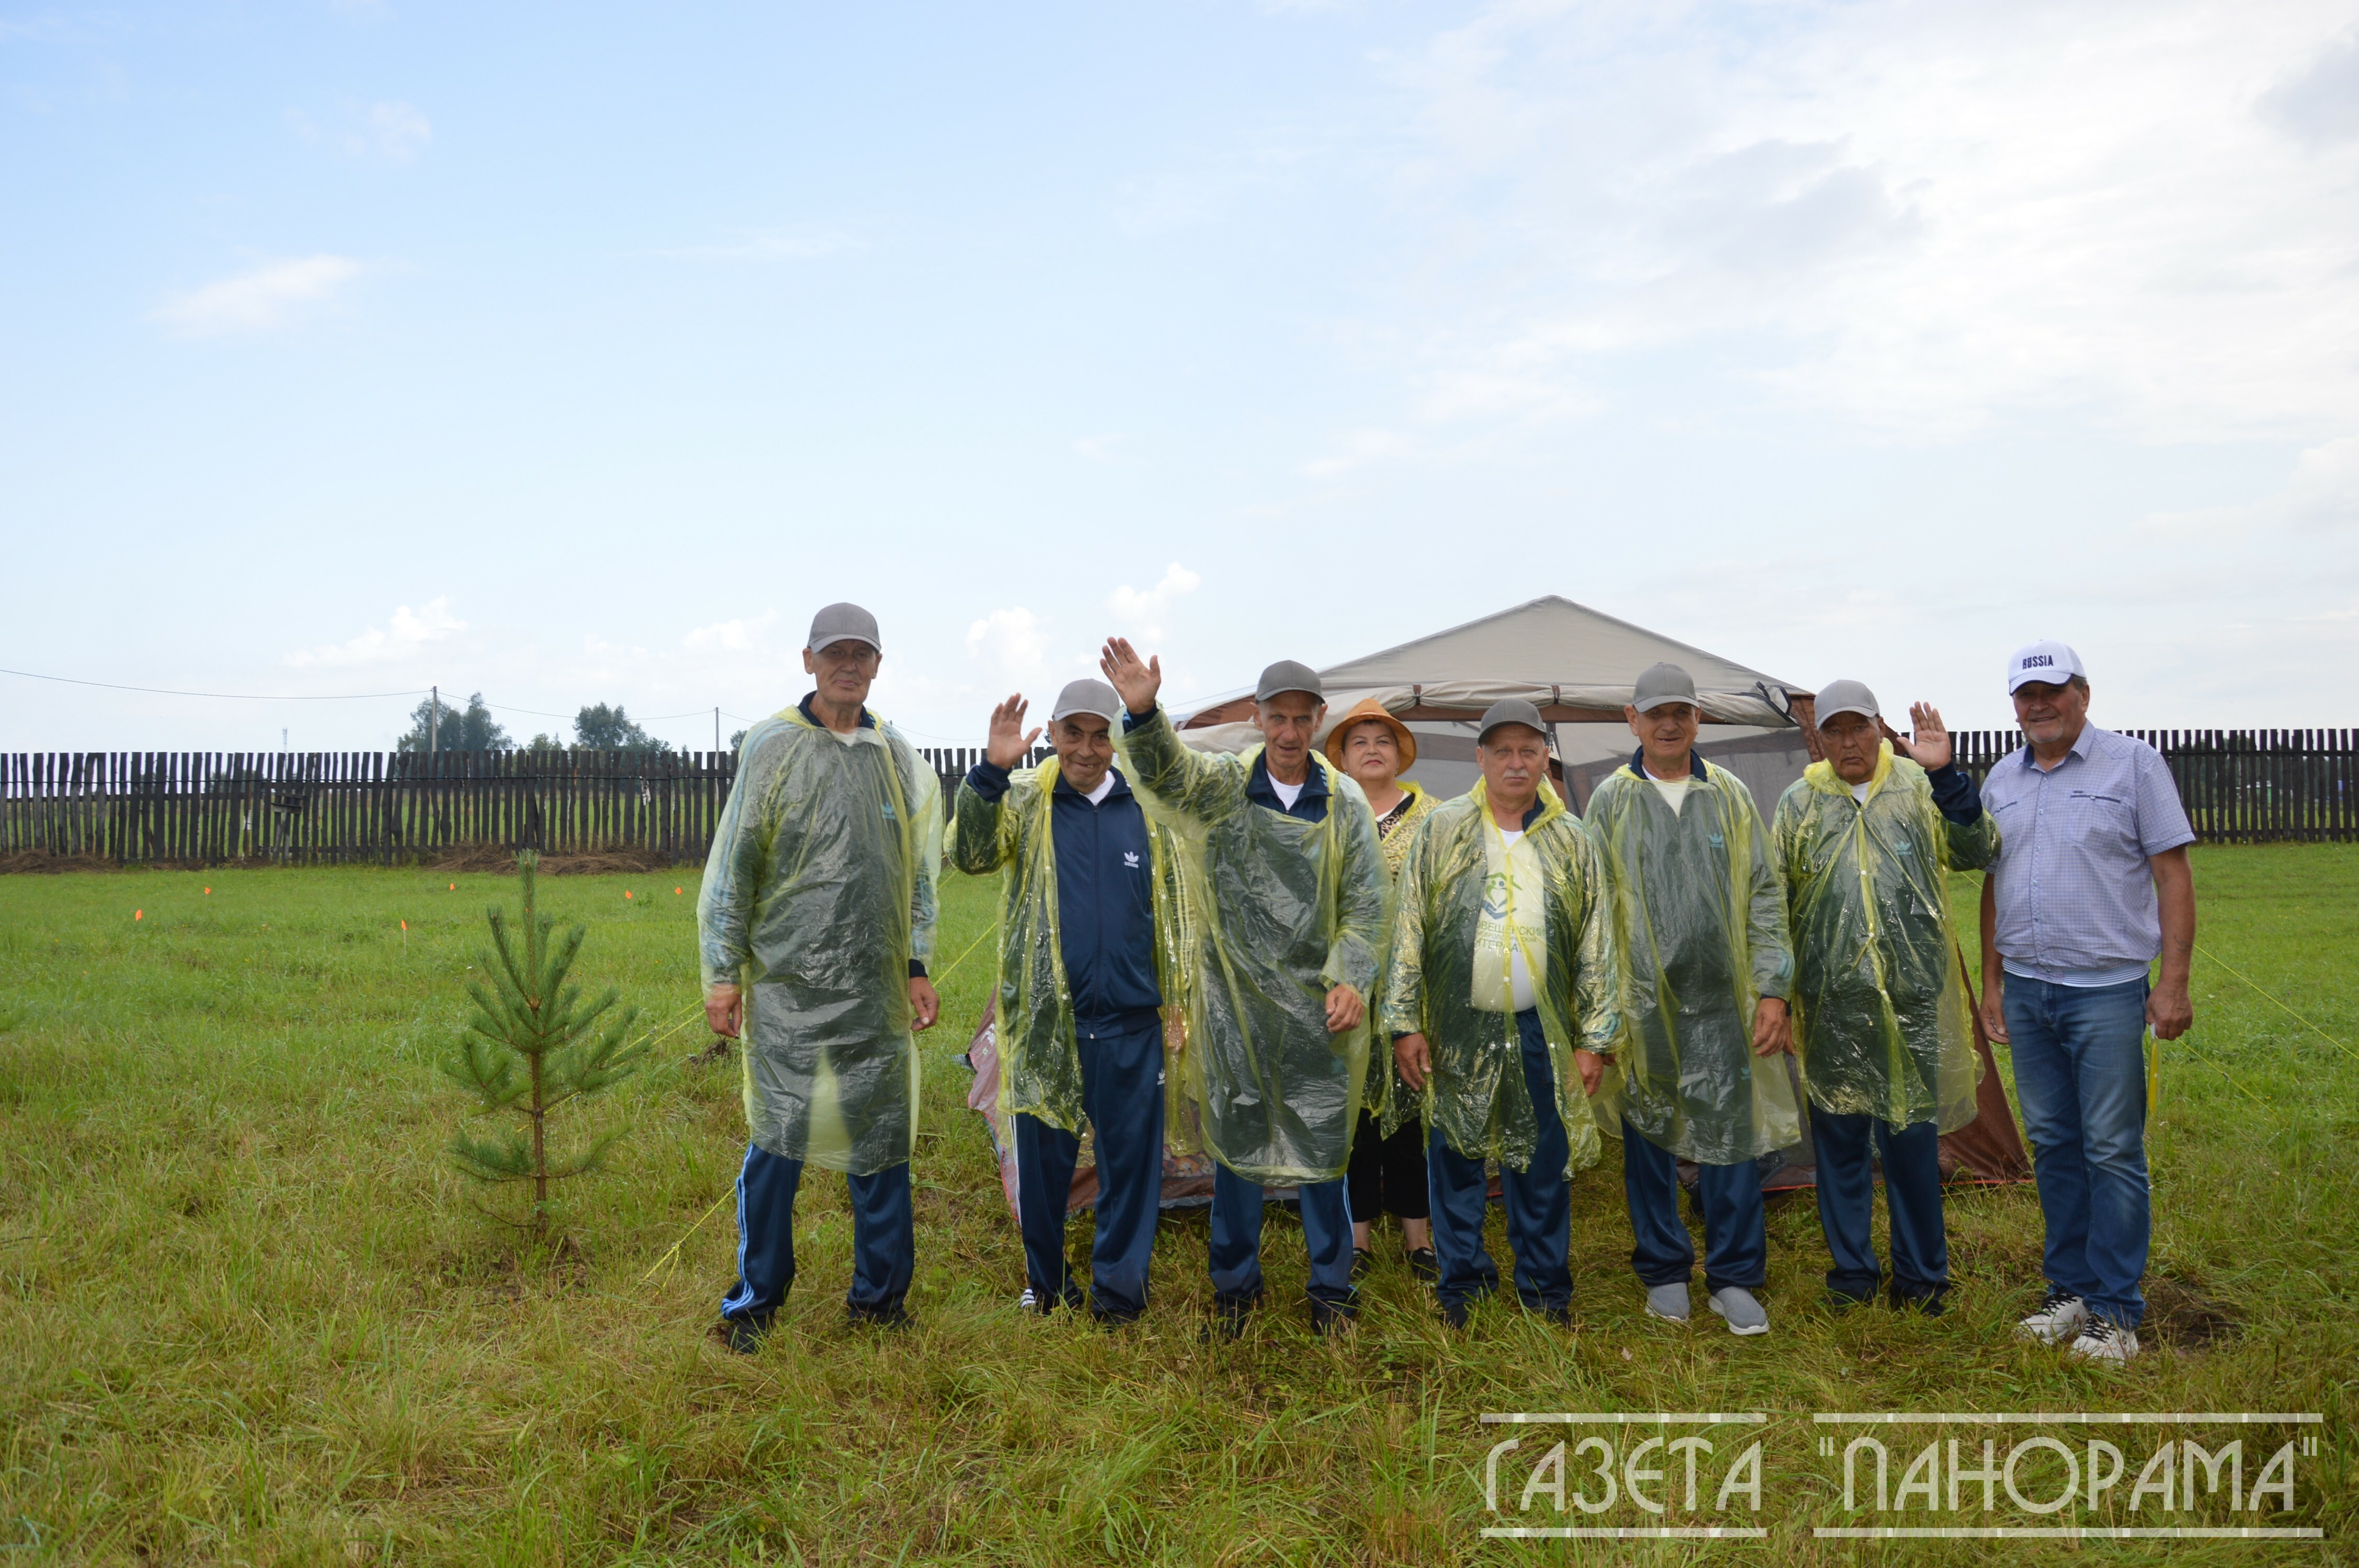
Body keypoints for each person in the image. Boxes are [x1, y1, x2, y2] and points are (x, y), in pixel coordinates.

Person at [1101, 639, 1389, 1336]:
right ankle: (1235, 1290)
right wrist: (1143, 714)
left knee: (1323, 1153)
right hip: (1236, 1010)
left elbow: (1367, 905)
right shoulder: (1227, 786)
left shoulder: (1344, 804)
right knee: (1235, 1154)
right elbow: (1167, 778)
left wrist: (1352, 978)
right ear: (1259, 719)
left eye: (1302, 719)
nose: (1290, 734)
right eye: (1277, 719)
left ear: (1318, 720)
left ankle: (1331, 1290)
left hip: (1320, 1015)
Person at [699, 603, 942, 1351]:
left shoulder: (894, 755)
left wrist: (915, 964)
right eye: (834, 653)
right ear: (808, 660)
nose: (848, 666)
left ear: (877, 665)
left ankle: (880, 1302)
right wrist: (723, 973)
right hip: (788, 991)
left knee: (881, 1144)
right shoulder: (773, 747)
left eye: (861, 655)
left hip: (874, 994)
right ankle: (756, 1303)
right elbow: (736, 862)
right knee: (778, 1142)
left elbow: (918, 873)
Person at [1980, 641, 2195, 1365]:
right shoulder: (2002, 779)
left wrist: (2172, 983)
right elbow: (1993, 885)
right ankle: (2068, 1291)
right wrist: (1992, 981)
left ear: (2083, 693)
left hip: (2106, 991)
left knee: (2111, 1149)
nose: (2037, 705)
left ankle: (2116, 1312)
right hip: (2030, 989)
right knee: (2054, 1146)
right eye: (2025, 694)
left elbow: (2172, 874)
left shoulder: (2134, 765)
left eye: (2052, 691)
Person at [951, 678, 1183, 1325]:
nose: (1087, 749)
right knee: (1046, 1161)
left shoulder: (1146, 810)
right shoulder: (1026, 801)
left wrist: (1179, 1004)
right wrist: (991, 774)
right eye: (1074, 733)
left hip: (1133, 1021)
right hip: (1049, 1021)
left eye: (1101, 734)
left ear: (1117, 740)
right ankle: (1047, 1285)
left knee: (1132, 1167)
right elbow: (968, 855)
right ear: (1051, 734)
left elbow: (1173, 916)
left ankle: (1118, 1293)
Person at [1388, 700, 1622, 1328]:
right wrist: (1406, 1022)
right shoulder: (1445, 830)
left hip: (1540, 1028)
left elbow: (1598, 939)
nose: (1516, 763)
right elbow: (1410, 926)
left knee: (1541, 1161)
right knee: (1456, 1158)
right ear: (1480, 759)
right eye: (1502, 751)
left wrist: (1594, 1038)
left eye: (1528, 750)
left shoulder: (1572, 838)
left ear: (1546, 758)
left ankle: (1545, 1289)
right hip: (1458, 1023)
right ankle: (1461, 1284)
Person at [1773, 681, 1997, 1316]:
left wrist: (1948, 774)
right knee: (1840, 1146)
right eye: (1835, 732)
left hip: (1910, 1004)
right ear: (1820, 738)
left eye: (1859, 728)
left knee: (1910, 1146)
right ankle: (1853, 1275)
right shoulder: (1798, 804)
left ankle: (1922, 1278)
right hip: (1832, 1003)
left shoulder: (1920, 790)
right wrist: (1781, 997)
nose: (1849, 743)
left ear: (1879, 727)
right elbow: (1778, 904)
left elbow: (1982, 850)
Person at [1588, 661, 1797, 1337]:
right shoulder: (1611, 801)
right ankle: (1666, 1271)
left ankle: (1735, 1277)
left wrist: (1772, 988)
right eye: (1655, 713)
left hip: (1724, 1006)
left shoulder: (1729, 796)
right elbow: (1591, 910)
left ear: (1697, 718)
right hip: (1643, 1007)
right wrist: (1601, 1013)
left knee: (1729, 1142)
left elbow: (1765, 892)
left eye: (1681, 711)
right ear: (1633, 720)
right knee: (1649, 1136)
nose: (1669, 723)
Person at [1324, 697, 1443, 1279]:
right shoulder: (1328, 816)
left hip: (1415, 996)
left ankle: (1419, 1239)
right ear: (1342, 758)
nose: (1372, 750)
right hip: (1347, 995)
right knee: (1355, 1122)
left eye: (1383, 741)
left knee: (1412, 1120)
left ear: (1400, 754)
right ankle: (1358, 1240)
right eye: (1359, 742)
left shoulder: (1436, 818)